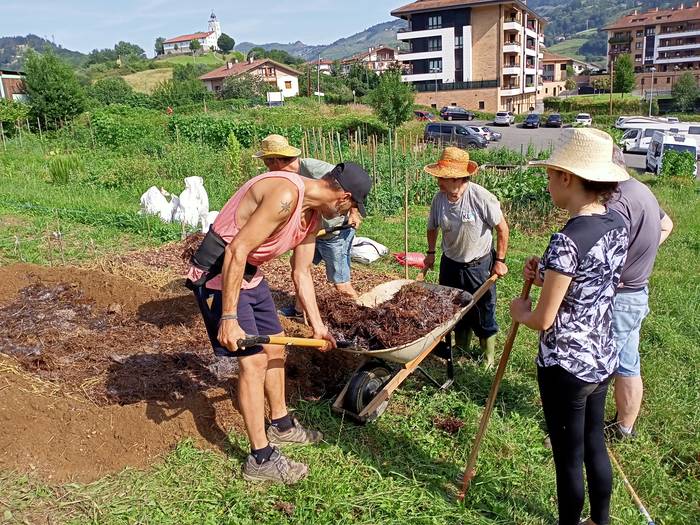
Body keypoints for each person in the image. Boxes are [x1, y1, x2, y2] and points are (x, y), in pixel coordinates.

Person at [185, 136, 372, 485]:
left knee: (276, 346)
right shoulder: (286, 194)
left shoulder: (312, 217)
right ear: (343, 196)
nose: (347, 214)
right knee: (253, 362)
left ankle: (282, 424)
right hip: (219, 274)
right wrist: (227, 317)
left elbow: (301, 273)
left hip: (251, 277)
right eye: (350, 207)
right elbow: (237, 250)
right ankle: (260, 458)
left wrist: (318, 326)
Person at [510, 128, 630, 525]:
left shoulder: (566, 239)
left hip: (566, 364)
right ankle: (601, 520)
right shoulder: (616, 224)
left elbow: (543, 319)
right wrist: (547, 276)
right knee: (595, 442)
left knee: (568, 455)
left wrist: (519, 312)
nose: (548, 183)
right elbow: (592, 281)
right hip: (602, 356)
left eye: (550, 175)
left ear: (568, 178)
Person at [252, 135, 364, 317]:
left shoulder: (314, 168)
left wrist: (353, 212)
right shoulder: (284, 177)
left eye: (267, 162)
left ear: (276, 160)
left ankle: (362, 316)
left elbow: (349, 188)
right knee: (299, 268)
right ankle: (299, 310)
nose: (267, 167)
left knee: (340, 282)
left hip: (333, 234)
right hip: (310, 232)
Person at [606, 148, 674, 440]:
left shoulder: (617, 203)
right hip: (637, 293)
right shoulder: (642, 189)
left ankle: (590, 432)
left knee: (602, 365)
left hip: (619, 297)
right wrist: (642, 254)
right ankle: (624, 427)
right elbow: (667, 225)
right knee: (628, 362)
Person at [422, 147, 509, 368]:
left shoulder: (480, 197)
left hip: (478, 266)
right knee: (454, 309)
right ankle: (461, 351)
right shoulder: (439, 199)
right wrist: (431, 253)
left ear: (458, 178)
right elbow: (432, 228)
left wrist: (500, 261)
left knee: (482, 311)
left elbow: (502, 228)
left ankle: (487, 358)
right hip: (450, 264)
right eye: (439, 177)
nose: (439, 181)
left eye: (443, 177)